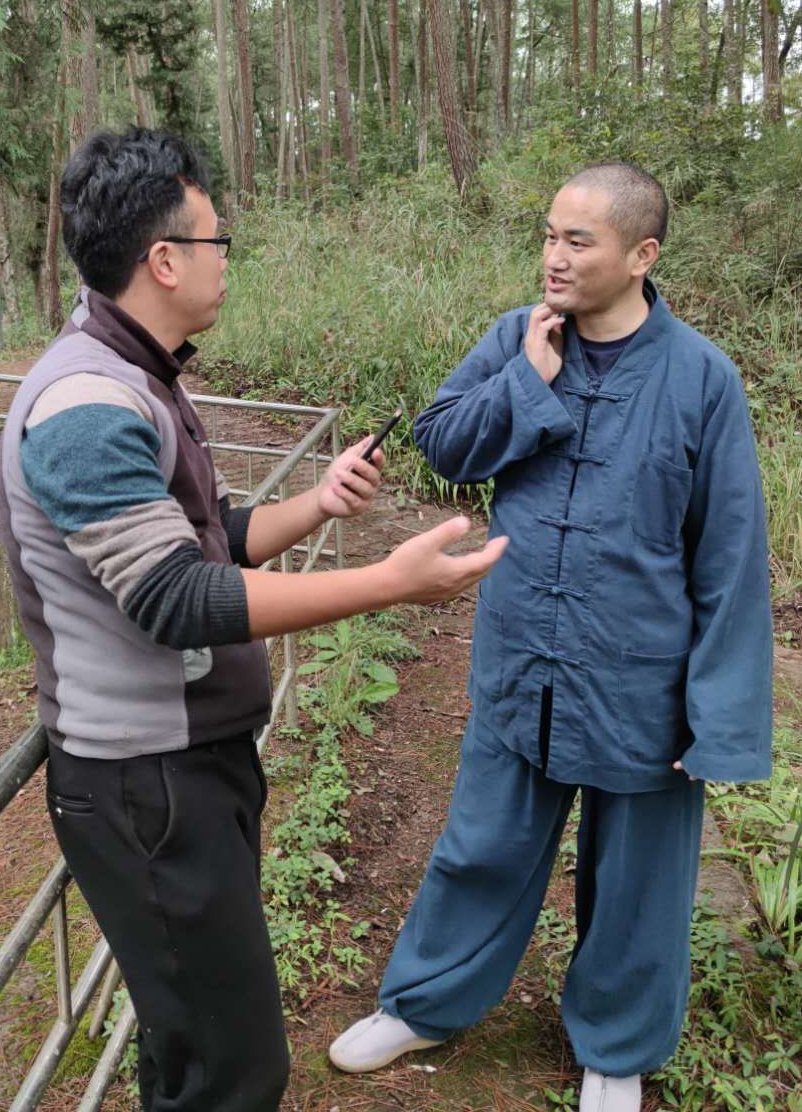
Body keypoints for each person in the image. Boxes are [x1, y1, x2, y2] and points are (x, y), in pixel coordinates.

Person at [0, 126, 507, 1112]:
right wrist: (390, 582)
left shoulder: (141, 373)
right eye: (217, 240)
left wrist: (317, 503)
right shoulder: (86, 402)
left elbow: (208, 540)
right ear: (165, 259)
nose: (227, 260)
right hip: (147, 785)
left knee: (193, 1047)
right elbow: (176, 597)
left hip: (186, 768)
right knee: (235, 1073)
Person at [329, 162, 773, 1112]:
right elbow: (443, 443)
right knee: (481, 845)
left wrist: (719, 719)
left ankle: (617, 1046)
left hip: (642, 684)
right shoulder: (516, 337)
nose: (554, 257)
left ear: (642, 254)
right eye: (548, 235)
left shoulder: (702, 378)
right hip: (522, 660)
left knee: (639, 882)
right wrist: (526, 383)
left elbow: (731, 557)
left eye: (578, 240)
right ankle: (424, 1004)